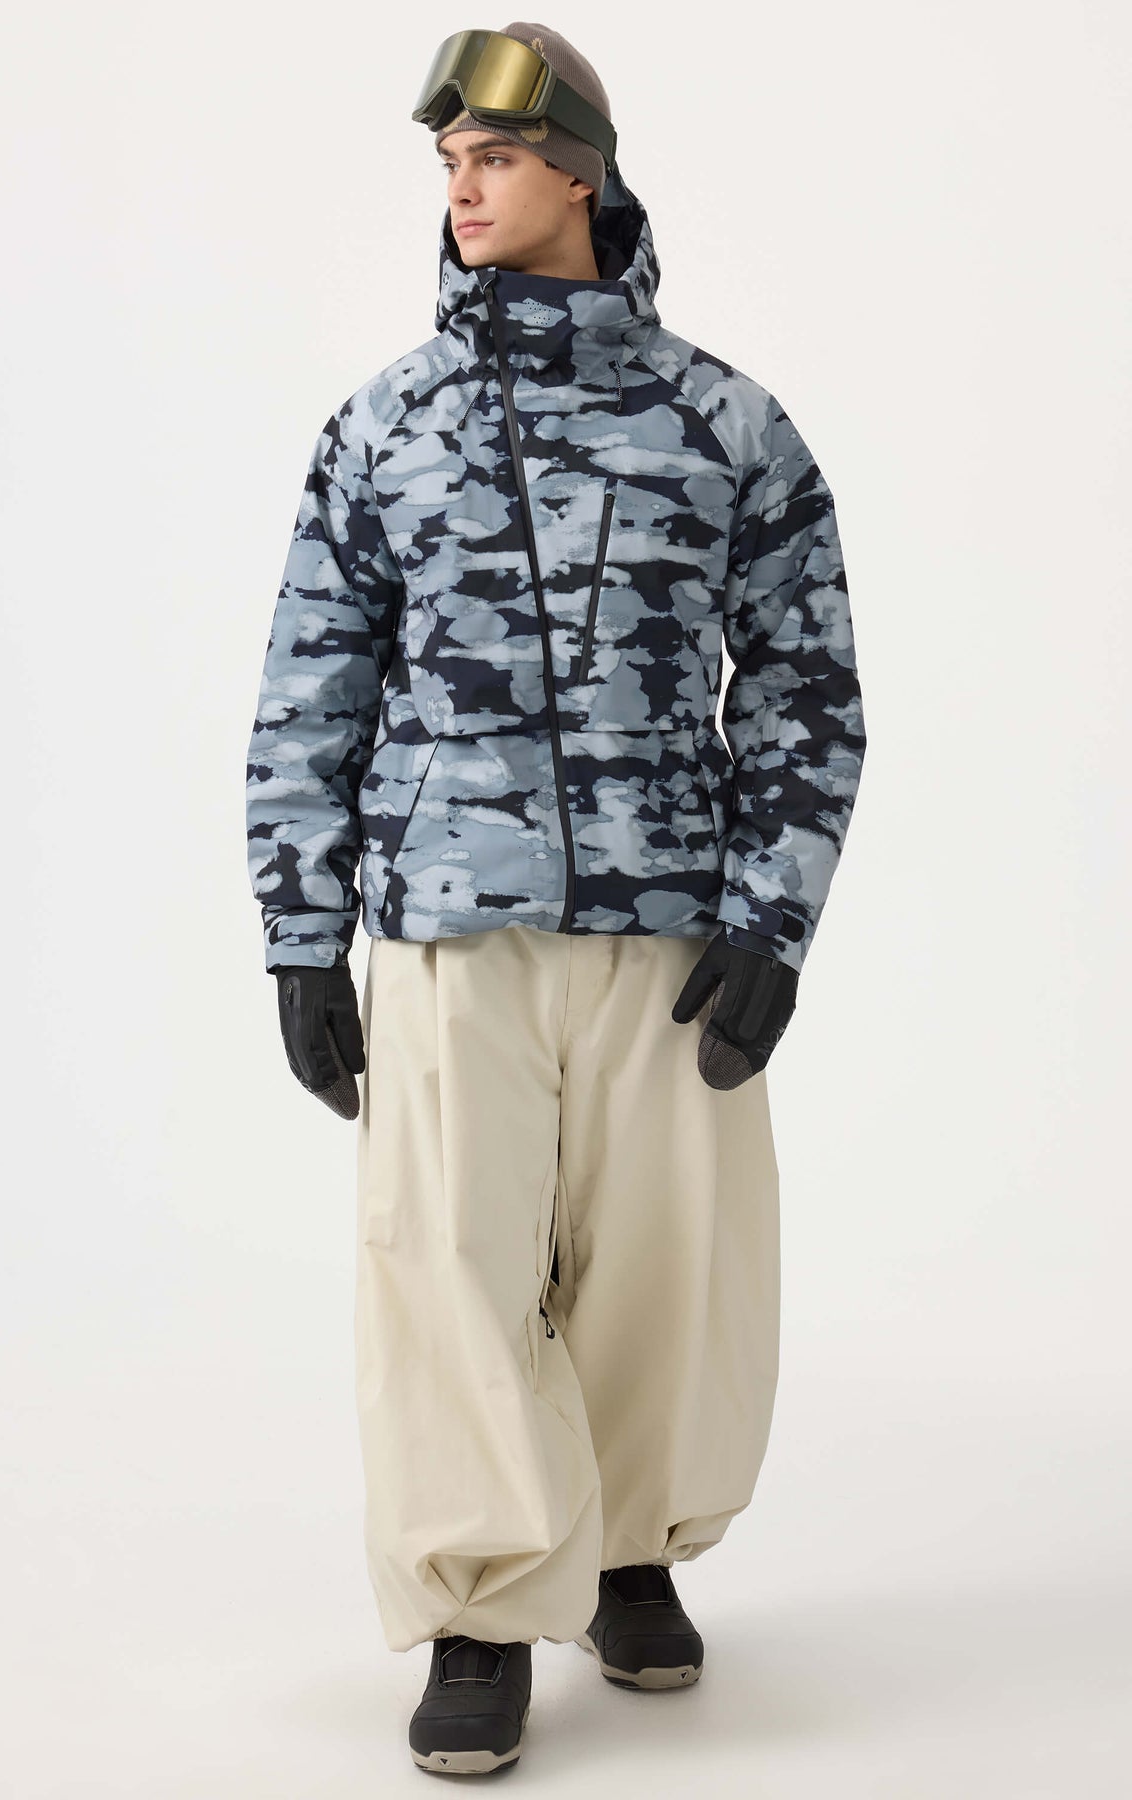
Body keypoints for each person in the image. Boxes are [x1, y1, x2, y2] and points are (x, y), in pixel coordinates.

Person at [245, 21, 866, 1777]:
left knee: (667, 1260)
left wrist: (775, 914)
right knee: (449, 1264)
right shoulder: (389, 422)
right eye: (450, 164)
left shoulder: (726, 423)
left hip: (671, 926)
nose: (463, 190)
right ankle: (481, 1600)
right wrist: (301, 933)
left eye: (496, 160)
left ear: (579, 176)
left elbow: (807, 684)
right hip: (450, 919)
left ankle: (629, 1550)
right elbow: (311, 686)